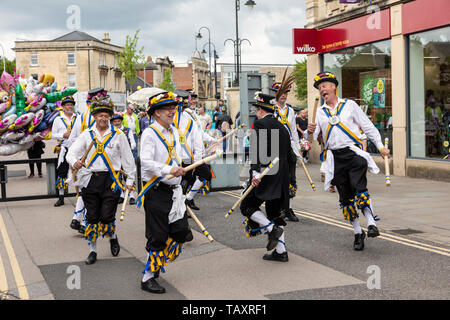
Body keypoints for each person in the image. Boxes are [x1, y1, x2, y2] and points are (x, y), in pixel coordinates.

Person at [306, 71, 390, 251]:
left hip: (353, 154)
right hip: (335, 159)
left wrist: (381, 146)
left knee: (360, 188)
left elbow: (368, 126)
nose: (322, 90)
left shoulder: (350, 105)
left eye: (325, 86)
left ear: (334, 87)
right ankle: (358, 232)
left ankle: (371, 224)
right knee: (345, 197)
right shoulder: (320, 112)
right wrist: (309, 130)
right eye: (320, 88)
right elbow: (310, 139)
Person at [67, 95, 135, 265]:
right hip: (90, 180)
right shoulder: (87, 134)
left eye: (106, 115)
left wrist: (130, 181)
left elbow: (128, 160)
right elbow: (71, 152)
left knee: (106, 216)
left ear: (109, 117)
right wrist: (74, 161)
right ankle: (93, 250)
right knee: (92, 217)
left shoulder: (118, 135)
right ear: (95, 117)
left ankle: (112, 236)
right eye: (100, 115)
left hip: (111, 181)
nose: (103, 118)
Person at [137, 91, 192, 294]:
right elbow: (146, 162)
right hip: (156, 191)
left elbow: (179, 157)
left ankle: (156, 263)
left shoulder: (174, 132)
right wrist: (169, 170)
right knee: (158, 235)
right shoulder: (150, 133)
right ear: (157, 113)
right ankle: (148, 276)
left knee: (180, 233)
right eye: (168, 108)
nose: (172, 111)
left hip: (175, 192)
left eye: (173, 107)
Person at [239, 92, 294, 262]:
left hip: (266, 174)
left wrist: (255, 173)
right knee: (274, 212)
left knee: (246, 205)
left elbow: (257, 150)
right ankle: (281, 252)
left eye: (257, 109)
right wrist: (290, 179)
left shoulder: (260, 124)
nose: (256, 112)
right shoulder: (283, 127)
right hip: (282, 175)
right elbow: (291, 156)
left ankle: (271, 230)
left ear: (261, 110)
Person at [67, 87, 103, 234]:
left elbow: (71, 140)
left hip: (82, 161)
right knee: (91, 193)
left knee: (85, 191)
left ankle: (77, 218)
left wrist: (72, 159)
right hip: (92, 162)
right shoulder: (101, 119)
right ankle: (84, 222)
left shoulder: (81, 118)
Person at [174, 91, 212, 211]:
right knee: (183, 182)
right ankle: (183, 206)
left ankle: (186, 201)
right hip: (180, 158)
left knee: (192, 179)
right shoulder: (172, 118)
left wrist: (212, 140)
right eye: (191, 99)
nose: (193, 101)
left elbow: (198, 134)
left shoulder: (190, 116)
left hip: (190, 156)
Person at [271, 81, 301, 222]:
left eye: (285, 93)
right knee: (277, 179)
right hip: (275, 148)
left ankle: (288, 208)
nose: (283, 95)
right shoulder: (270, 108)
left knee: (291, 179)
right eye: (280, 93)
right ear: (275, 93)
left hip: (289, 147)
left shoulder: (290, 110)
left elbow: (294, 131)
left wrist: (298, 149)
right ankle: (278, 208)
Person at [51, 96, 78, 207]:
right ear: (63, 107)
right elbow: (52, 135)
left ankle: (80, 196)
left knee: (79, 173)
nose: (69, 106)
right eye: (67, 105)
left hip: (77, 150)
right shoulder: (58, 120)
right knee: (62, 173)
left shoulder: (78, 118)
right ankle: (61, 197)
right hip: (64, 150)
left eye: (71, 104)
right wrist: (63, 135)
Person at [111, 112, 137, 205]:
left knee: (128, 174)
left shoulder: (127, 130)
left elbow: (133, 143)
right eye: (115, 121)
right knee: (118, 175)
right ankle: (122, 195)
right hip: (116, 157)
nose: (117, 123)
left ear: (121, 121)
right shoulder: (111, 132)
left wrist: (129, 148)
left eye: (118, 121)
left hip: (126, 156)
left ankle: (132, 196)